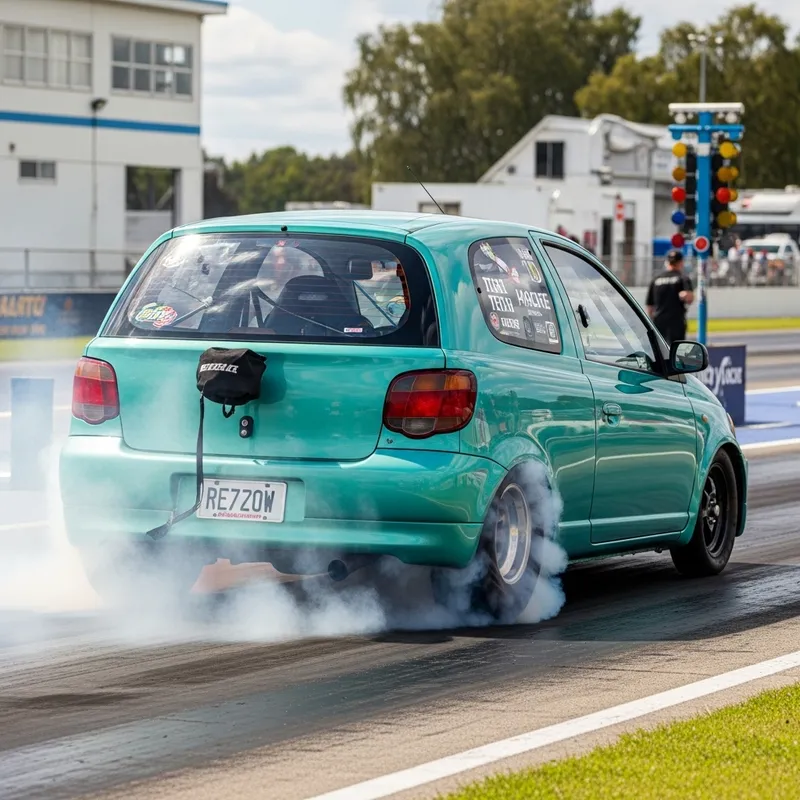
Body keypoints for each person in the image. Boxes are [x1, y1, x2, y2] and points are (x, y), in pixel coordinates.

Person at [645, 249, 694, 345]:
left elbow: (650, 307)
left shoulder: (656, 280)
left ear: (667, 262)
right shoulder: (683, 278)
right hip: (676, 322)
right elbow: (689, 298)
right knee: (675, 350)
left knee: (660, 351)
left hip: (658, 321)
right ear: (681, 263)